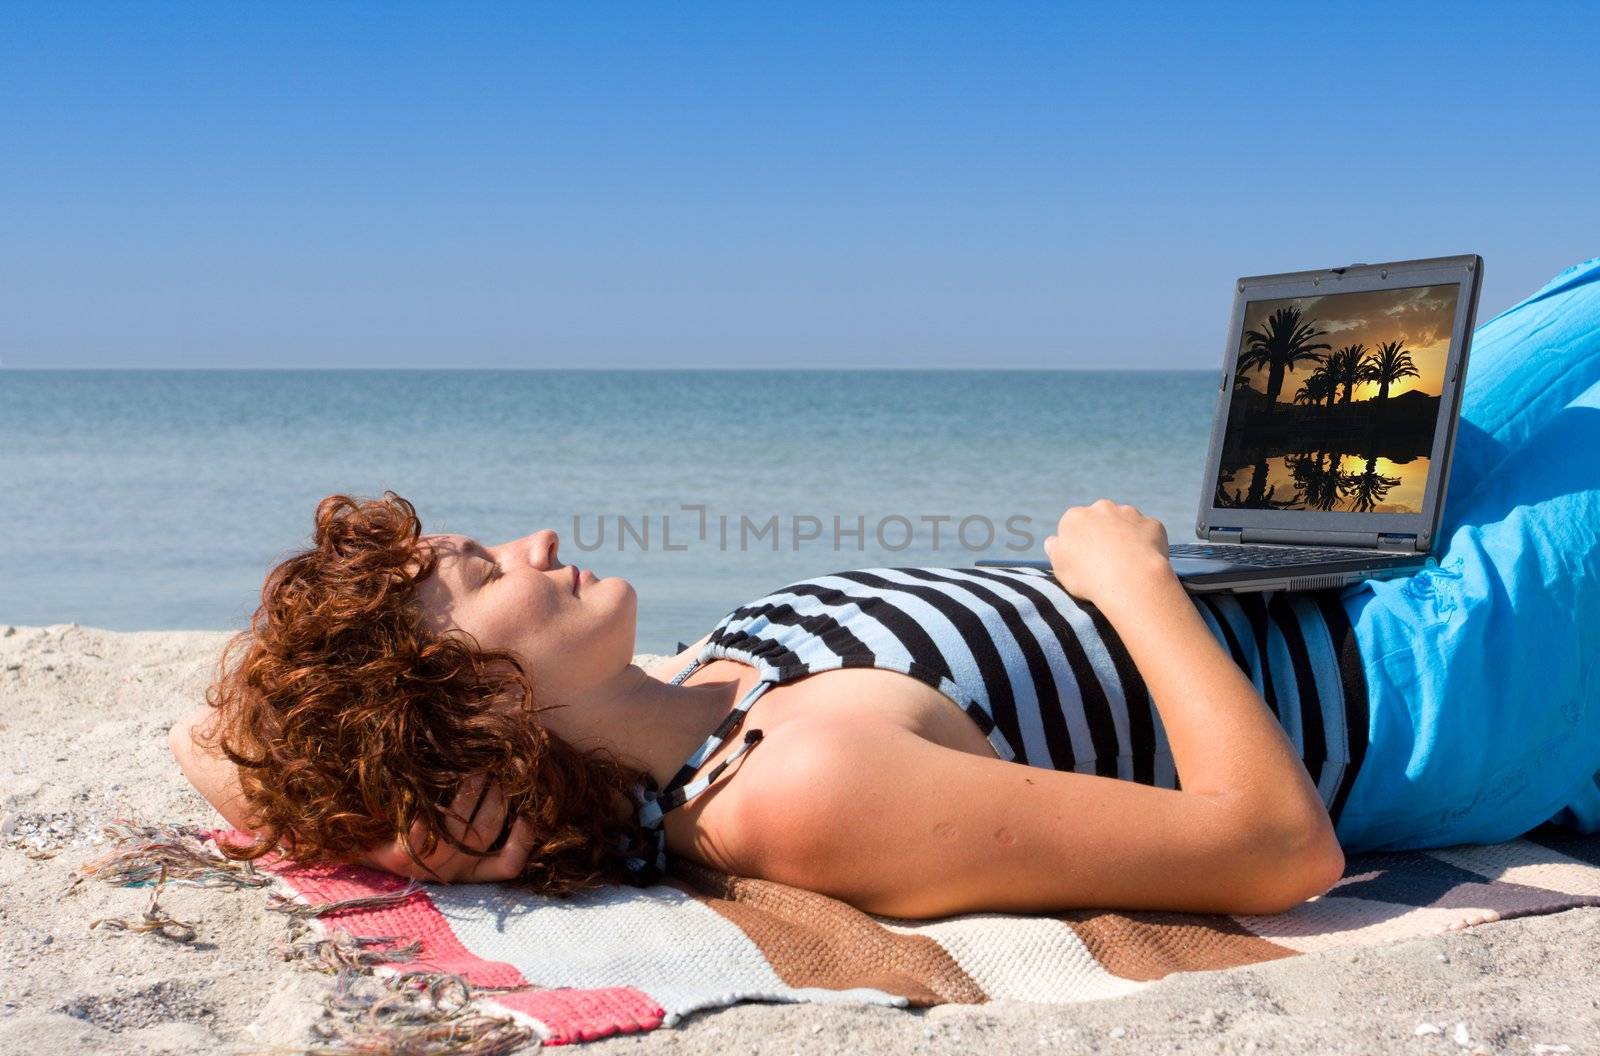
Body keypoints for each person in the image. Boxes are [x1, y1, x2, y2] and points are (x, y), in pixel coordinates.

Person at [171, 257, 1600, 922]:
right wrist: (1133, 585)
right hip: (1425, 670)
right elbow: (1271, 852)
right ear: (480, 701)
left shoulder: (710, 684)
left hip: (1324, 558)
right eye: (488, 576)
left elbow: (225, 751)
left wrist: (306, 745)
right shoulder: (784, 799)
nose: (539, 544)